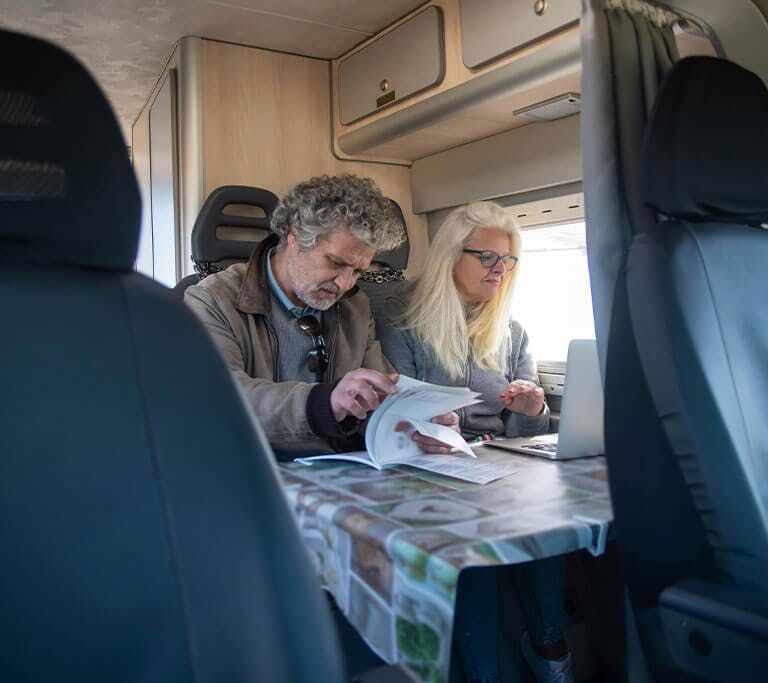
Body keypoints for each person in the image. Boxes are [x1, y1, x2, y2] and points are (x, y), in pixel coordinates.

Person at [377, 201, 573, 683]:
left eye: (508, 260)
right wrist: (431, 426)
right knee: (474, 549)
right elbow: (397, 411)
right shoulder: (400, 319)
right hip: (429, 469)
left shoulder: (512, 331)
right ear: (451, 256)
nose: (499, 270)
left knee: (543, 529)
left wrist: (533, 412)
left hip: (497, 465)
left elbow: (527, 430)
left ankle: (552, 656)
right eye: (486, 257)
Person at [185, 174, 412, 460]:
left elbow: (378, 395)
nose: (345, 285)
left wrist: (413, 424)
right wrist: (323, 404)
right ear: (295, 236)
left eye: (357, 272)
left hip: (334, 469)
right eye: (336, 263)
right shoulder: (212, 300)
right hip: (247, 465)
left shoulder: (355, 307)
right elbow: (220, 399)